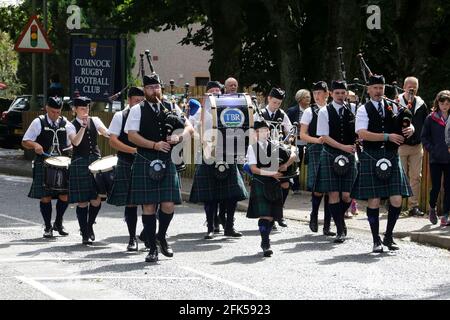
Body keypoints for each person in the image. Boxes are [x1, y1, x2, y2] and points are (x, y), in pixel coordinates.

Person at [124, 74, 194, 263]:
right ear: (144, 90)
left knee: (168, 203)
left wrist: (178, 138)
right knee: (148, 205)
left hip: (167, 159)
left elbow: (190, 128)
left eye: (157, 87)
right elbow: (131, 136)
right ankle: (152, 249)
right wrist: (154, 145)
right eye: (150, 88)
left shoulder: (171, 106)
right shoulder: (137, 110)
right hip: (146, 158)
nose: (154, 91)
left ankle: (161, 236)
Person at [352, 75, 414, 253]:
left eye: (381, 88)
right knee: (374, 200)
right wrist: (387, 136)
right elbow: (362, 133)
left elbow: (407, 120)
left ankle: (388, 236)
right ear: (369, 89)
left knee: (396, 199)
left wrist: (411, 129)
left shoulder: (393, 105)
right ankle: (375, 239)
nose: (379, 91)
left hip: (391, 155)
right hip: (372, 155)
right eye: (375, 88)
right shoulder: (363, 109)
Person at [22, 97, 72, 238]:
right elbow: (25, 141)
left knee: (65, 195)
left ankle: (58, 222)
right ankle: (48, 227)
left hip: (62, 163)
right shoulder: (38, 122)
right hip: (43, 163)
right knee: (46, 197)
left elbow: (70, 142)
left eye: (58, 111)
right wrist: (35, 145)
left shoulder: (65, 123)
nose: (55, 114)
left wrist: (71, 147)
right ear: (46, 108)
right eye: (52, 111)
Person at [246, 120, 297, 257]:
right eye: (259, 131)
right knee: (266, 215)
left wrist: (285, 165)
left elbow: (293, 153)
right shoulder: (252, 148)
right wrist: (272, 173)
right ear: (255, 133)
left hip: (274, 185)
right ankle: (265, 243)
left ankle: (265, 240)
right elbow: (254, 169)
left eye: (265, 130)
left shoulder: (275, 146)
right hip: (260, 183)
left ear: (269, 131)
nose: (263, 133)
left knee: (272, 216)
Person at [316, 80, 357, 244]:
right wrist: (343, 147)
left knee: (347, 195)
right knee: (333, 193)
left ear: (346, 93)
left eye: (343, 93)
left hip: (349, 155)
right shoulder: (324, 111)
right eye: (337, 93)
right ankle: (340, 229)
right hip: (331, 154)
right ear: (331, 94)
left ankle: (339, 220)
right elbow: (324, 136)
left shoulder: (353, 110)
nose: (340, 96)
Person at [66, 96, 109, 245]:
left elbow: (106, 132)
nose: (86, 111)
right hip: (80, 162)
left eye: (87, 108)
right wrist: (83, 127)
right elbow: (76, 142)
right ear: (75, 110)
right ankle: (84, 232)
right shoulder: (70, 126)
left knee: (97, 198)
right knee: (83, 201)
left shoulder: (95, 120)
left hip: (96, 162)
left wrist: (111, 133)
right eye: (82, 109)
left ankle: (90, 225)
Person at [107, 87, 145, 251]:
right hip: (127, 162)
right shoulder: (120, 116)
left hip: (146, 164)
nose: (139, 103)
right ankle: (131, 238)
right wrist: (133, 151)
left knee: (149, 202)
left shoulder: (147, 115)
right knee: (130, 203)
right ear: (129, 100)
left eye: (142, 100)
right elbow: (113, 141)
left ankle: (147, 234)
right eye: (137, 100)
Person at [300, 81, 335, 236]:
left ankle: (327, 225)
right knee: (319, 188)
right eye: (314, 93)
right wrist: (317, 140)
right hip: (316, 148)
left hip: (333, 149)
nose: (317, 96)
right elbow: (302, 135)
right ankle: (314, 214)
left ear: (327, 94)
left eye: (320, 93)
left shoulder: (333, 109)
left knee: (330, 189)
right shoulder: (309, 111)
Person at [259, 88, 293, 229]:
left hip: (279, 152)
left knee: (285, 184)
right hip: (264, 152)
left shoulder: (282, 114)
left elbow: (290, 131)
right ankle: (271, 216)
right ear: (268, 99)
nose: (276, 105)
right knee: (272, 184)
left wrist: (288, 140)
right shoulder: (260, 114)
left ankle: (279, 213)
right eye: (274, 102)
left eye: (279, 103)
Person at [398, 77, 428, 217]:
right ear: (404, 86)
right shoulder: (396, 103)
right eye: (409, 85)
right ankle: (397, 205)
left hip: (417, 146)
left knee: (416, 176)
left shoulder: (421, 104)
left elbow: (425, 124)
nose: (412, 88)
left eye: (414, 86)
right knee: (399, 176)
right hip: (400, 145)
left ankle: (413, 206)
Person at [421, 90, 450, 227]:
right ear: (437, 103)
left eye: (448, 103)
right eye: (442, 102)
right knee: (436, 187)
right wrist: (432, 149)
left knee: (448, 187)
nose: (445, 105)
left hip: (449, 159)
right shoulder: (430, 118)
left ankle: (445, 215)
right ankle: (432, 208)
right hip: (436, 159)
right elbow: (424, 137)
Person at [287, 89, 310, 194]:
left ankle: (311, 187)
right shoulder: (292, 111)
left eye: (309, 97)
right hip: (297, 142)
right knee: (297, 164)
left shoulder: (311, 111)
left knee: (309, 165)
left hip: (309, 142)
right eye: (306, 97)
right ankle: (295, 186)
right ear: (300, 99)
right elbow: (288, 127)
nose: (309, 99)